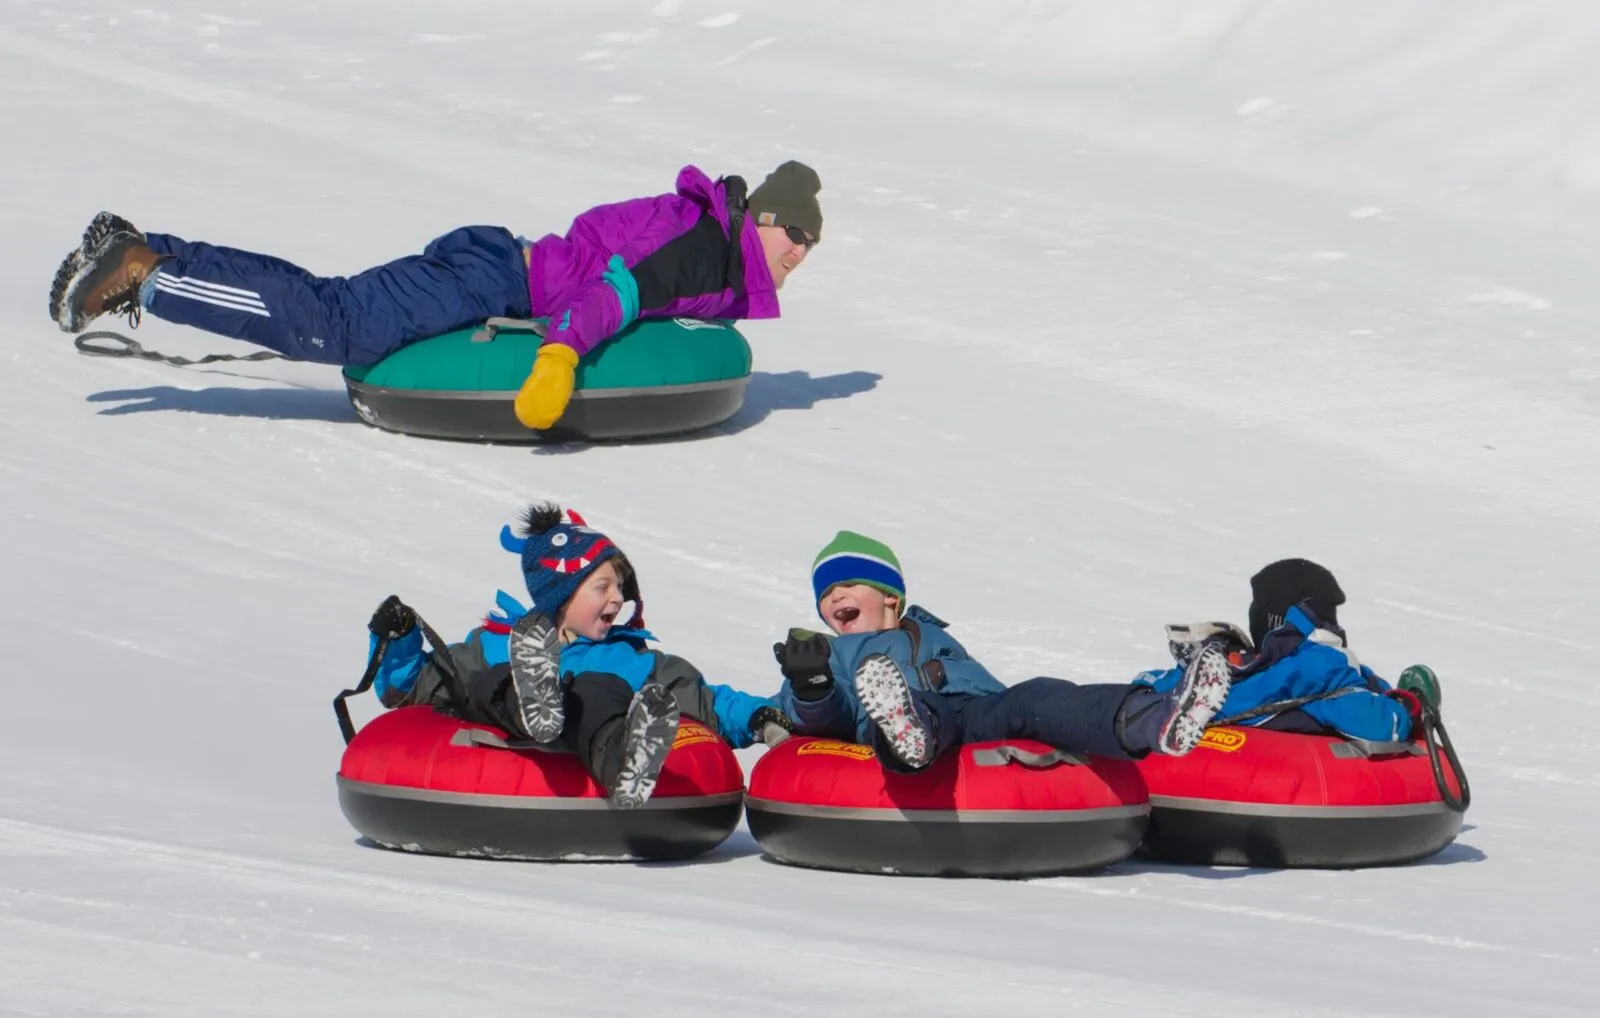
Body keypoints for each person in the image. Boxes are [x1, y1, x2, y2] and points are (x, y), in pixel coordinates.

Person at [48, 160, 822, 429]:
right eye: (799, 237)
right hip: (498, 280)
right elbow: (616, 290)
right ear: (765, 221)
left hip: (498, 267)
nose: (802, 254)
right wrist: (557, 359)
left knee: (333, 303)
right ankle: (147, 272)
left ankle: (147, 249)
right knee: (336, 326)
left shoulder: (714, 247)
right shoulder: (702, 246)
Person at [365, 503, 791, 807]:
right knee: (488, 681)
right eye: (602, 587)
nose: (617, 599)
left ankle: (627, 761)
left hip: (591, 732)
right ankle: (537, 699)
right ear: (561, 592)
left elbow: (706, 700)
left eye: (620, 588)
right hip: (507, 723)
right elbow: (413, 690)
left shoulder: (628, 659)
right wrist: (398, 639)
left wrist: (760, 716)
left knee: (597, 690)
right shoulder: (495, 644)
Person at [770, 531, 1233, 772]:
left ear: (890, 595)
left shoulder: (931, 634)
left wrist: (1021, 716)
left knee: (1035, 696)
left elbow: (983, 686)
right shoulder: (826, 653)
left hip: (970, 714)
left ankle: (1155, 718)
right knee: (922, 711)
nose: (833, 599)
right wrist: (811, 685)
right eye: (825, 594)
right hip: (891, 726)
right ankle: (908, 730)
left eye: (846, 585)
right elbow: (812, 718)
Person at [1130, 557, 1437, 743]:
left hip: (1191, 738)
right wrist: (1408, 713)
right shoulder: (1326, 664)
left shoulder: (1249, 664)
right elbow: (1374, 723)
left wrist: (1144, 689)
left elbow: (1153, 681)